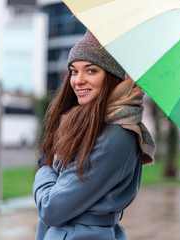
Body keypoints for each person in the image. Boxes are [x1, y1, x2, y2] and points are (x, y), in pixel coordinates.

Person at [33, 30, 155, 240]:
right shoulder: (90, 122)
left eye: (91, 71)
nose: (78, 81)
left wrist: (45, 169)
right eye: (73, 71)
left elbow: (51, 208)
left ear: (111, 76)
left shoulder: (116, 134)